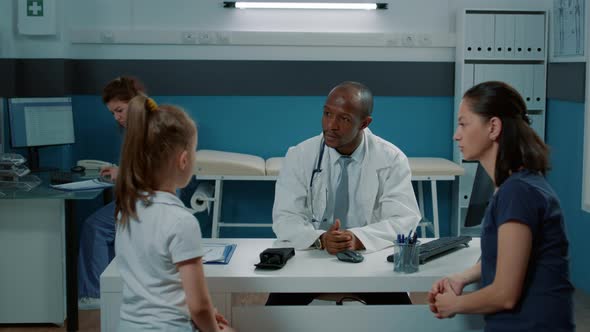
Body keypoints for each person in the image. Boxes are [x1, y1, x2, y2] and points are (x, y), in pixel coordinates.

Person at [428, 81, 574, 331]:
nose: (456, 134)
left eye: (464, 123)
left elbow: (505, 294)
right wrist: (461, 277)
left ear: (493, 127)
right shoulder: (519, 185)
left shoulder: (517, 192)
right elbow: (508, 258)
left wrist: (454, 305)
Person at [268, 81, 421, 305]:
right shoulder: (300, 155)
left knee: (401, 314)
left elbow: (404, 219)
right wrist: (320, 239)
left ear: (365, 123)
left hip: (370, 260)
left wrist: (357, 238)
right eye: (327, 113)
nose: (331, 125)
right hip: (312, 256)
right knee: (274, 314)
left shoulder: (392, 159)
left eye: (344, 119)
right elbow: (285, 218)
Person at [114, 94, 234, 331]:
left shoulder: (127, 210)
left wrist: (208, 314)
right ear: (184, 160)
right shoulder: (181, 221)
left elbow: (162, 287)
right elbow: (198, 305)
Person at [78, 76, 145, 307]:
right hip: (144, 197)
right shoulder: (146, 123)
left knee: (95, 227)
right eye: (113, 113)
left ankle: (95, 294)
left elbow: (156, 171)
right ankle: (108, 290)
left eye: (120, 110)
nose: (117, 117)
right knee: (102, 225)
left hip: (149, 200)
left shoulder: (148, 128)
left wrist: (122, 174)